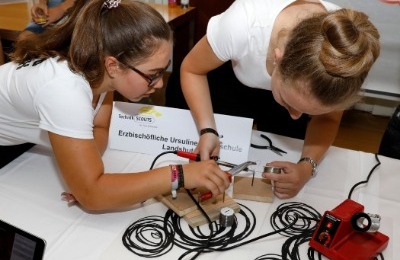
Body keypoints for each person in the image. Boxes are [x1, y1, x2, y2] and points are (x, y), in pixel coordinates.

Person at [0, 0, 231, 211]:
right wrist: (178, 175)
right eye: (153, 74)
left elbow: (99, 129)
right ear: (113, 65)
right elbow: (93, 197)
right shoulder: (65, 90)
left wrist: (85, 175)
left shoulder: (99, 70)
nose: (160, 84)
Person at [177, 0, 380, 199]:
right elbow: (192, 70)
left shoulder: (343, 59)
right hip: (228, 78)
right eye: (289, 103)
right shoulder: (242, 24)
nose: (295, 116)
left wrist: (306, 167)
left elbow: (327, 119)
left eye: (308, 111)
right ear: (277, 58)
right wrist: (207, 130)